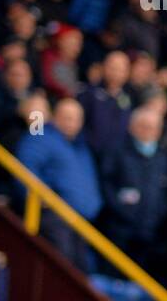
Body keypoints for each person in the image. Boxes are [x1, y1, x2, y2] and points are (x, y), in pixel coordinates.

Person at [14, 98, 103, 270]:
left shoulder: (80, 145)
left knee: (81, 273)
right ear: (55, 117)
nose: (72, 123)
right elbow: (26, 163)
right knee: (62, 270)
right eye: (67, 117)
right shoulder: (41, 133)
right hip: (55, 218)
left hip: (81, 222)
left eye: (76, 119)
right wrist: (39, 199)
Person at [99, 105, 167, 274]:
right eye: (144, 126)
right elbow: (107, 185)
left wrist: (159, 215)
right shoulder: (116, 151)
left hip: (150, 235)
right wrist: (123, 211)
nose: (149, 132)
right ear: (132, 127)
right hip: (119, 231)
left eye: (154, 128)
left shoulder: (163, 157)